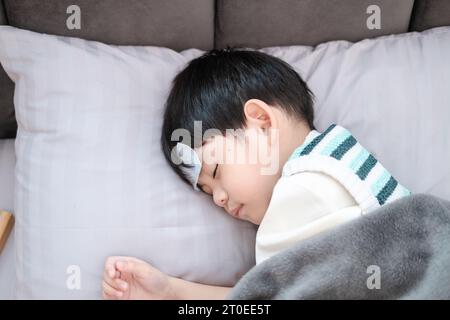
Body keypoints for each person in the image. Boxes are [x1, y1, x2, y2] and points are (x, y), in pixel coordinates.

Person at [102, 48, 410, 300]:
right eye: (208, 192)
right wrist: (171, 291)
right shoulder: (340, 155)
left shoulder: (302, 191)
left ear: (262, 121)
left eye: (217, 170)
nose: (219, 198)